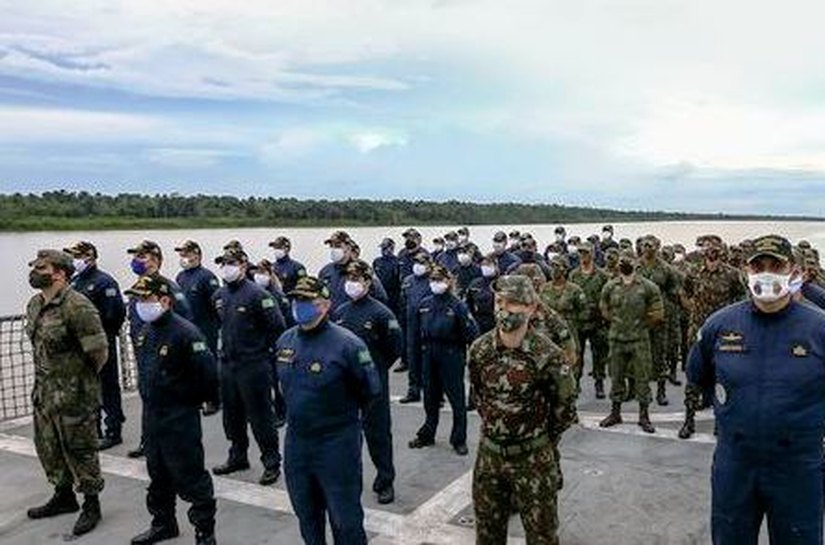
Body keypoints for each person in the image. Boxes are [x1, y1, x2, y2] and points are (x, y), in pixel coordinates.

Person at [688, 235, 825, 545]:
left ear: (793, 272)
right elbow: (701, 375)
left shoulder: (819, 329)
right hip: (735, 463)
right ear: (745, 271)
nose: (766, 273)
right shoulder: (719, 325)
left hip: (798, 467)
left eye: (775, 265)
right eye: (758, 265)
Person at [470, 274, 577, 545]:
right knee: (487, 534)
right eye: (499, 301)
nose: (504, 309)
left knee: (541, 536)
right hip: (490, 457)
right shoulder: (480, 350)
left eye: (513, 303)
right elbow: (480, 397)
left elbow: (564, 411)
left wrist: (539, 440)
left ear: (531, 308)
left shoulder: (549, 356)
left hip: (534, 460)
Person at [275, 276, 380, 545]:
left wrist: (341, 420)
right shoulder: (285, 341)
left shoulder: (348, 345)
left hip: (336, 443)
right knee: (307, 516)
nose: (299, 305)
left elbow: (369, 392)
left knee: (345, 520)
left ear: (325, 305)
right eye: (296, 300)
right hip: (298, 443)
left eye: (306, 301)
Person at [125, 276, 219, 545]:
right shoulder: (145, 332)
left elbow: (208, 374)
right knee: (157, 475)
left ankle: (204, 532)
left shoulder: (186, 333)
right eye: (137, 299)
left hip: (179, 417)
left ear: (165, 300)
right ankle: (163, 523)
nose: (140, 304)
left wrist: (198, 400)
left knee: (190, 475)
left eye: (145, 299)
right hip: (152, 416)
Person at [25, 250, 108, 537]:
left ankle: (91, 504)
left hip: (75, 395)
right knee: (48, 447)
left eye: (41, 267)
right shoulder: (35, 304)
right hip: (45, 393)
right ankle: (63, 496)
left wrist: (79, 381)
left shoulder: (77, 306)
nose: (35, 271)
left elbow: (98, 351)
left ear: (59, 272)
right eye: (34, 267)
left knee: (81, 450)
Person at [211, 247, 285, 485]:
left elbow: (277, 328)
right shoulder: (219, 296)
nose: (226, 268)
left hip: (253, 365)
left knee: (261, 416)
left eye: (231, 263)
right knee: (231, 416)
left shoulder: (258, 295)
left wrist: (261, 352)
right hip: (228, 365)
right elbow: (218, 324)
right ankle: (238, 456)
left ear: (243, 266)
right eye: (223, 263)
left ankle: (271, 462)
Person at [332, 260, 403, 504]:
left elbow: (395, 347)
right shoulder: (339, 312)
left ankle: (385, 480)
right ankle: (347, 480)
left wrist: (377, 368)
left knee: (378, 434)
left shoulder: (382, 313)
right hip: (345, 385)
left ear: (367, 282)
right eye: (348, 279)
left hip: (373, 383)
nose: (351, 284)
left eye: (356, 279)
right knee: (345, 435)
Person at [125, 240, 193, 458]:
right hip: (143, 351)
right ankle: (149, 441)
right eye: (135, 256)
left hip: (165, 354)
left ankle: (173, 445)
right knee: (147, 396)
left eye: (141, 256)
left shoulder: (168, 287)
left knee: (168, 400)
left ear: (155, 260)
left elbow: (185, 318)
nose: (136, 261)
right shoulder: (138, 288)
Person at [678, 237, 747, 439]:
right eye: (708, 249)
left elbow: (741, 299)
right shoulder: (693, 272)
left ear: (721, 251)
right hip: (697, 332)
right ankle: (688, 421)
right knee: (693, 377)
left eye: (715, 249)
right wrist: (691, 307)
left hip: (722, 334)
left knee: (721, 379)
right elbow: (684, 292)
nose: (712, 253)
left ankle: (720, 422)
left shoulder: (732, 275)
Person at [408, 265, 479, 455]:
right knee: (430, 397)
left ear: (448, 282)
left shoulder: (458, 306)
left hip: (451, 354)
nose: (435, 283)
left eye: (439, 280)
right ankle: (428, 434)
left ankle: (458, 439)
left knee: (456, 400)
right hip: (428, 354)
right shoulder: (424, 304)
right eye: (433, 280)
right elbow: (415, 335)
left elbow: (472, 333)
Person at [64, 241, 127, 450]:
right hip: (80, 344)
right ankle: (94, 430)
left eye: (77, 256)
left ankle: (113, 430)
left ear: (90, 257)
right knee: (87, 388)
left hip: (101, 341)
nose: (75, 261)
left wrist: (102, 334)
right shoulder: (74, 281)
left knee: (108, 386)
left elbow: (116, 313)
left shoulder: (104, 282)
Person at [599, 251, 664, 433]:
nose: (624, 264)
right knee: (616, 376)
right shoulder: (610, 286)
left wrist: (641, 326)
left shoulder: (648, 287)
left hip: (639, 340)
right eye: (622, 262)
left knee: (642, 378)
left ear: (636, 264)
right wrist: (616, 321)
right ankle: (615, 413)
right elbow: (603, 307)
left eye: (628, 261)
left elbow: (658, 313)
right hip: (617, 340)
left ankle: (644, 416)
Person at [175, 240, 222, 416]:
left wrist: (217, 326)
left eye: (186, 254)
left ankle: (214, 399)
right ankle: (196, 398)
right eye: (181, 254)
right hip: (187, 329)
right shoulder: (180, 277)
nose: (183, 257)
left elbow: (217, 303)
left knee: (208, 365)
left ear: (197, 255)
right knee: (190, 365)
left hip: (206, 327)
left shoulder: (207, 277)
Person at [636, 235, 680, 406]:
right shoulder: (635, 266)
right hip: (639, 317)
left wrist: (664, 310)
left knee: (660, 354)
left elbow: (674, 291)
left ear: (658, 247)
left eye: (652, 245)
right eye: (645, 245)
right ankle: (642, 391)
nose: (648, 248)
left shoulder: (666, 269)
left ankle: (661, 391)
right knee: (640, 355)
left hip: (659, 317)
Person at [569, 242, 610, 399]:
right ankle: (576, 383)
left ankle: (599, 383)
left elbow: (607, 298)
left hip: (596, 321)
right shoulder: (573, 275)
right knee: (577, 354)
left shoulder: (601, 275)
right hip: (578, 321)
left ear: (592, 254)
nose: (582, 256)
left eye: (585, 253)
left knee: (599, 356)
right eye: (580, 253)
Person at [318, 230, 388, 310]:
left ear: (348, 247)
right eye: (332, 246)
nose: (334, 249)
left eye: (338, 246)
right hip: (332, 318)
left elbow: (381, 296)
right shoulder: (326, 271)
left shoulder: (362, 269)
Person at [398, 251, 433, 401]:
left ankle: (433, 394)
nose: (418, 266)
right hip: (411, 324)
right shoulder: (408, 281)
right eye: (416, 262)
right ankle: (414, 390)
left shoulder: (433, 281)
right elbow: (403, 301)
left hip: (430, 326)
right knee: (413, 359)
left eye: (421, 263)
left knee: (430, 362)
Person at [465, 255, 499, 334]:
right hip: (480, 321)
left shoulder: (502, 282)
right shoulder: (475, 283)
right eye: (483, 265)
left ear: (495, 265)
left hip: (496, 320)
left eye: (488, 264)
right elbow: (468, 302)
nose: (485, 267)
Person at [372, 238, 402, 317]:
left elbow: (399, 280)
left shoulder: (397, 262)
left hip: (393, 296)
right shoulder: (377, 261)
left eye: (385, 247)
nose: (383, 250)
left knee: (392, 317)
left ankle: (393, 328)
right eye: (382, 248)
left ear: (392, 248)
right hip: (379, 295)